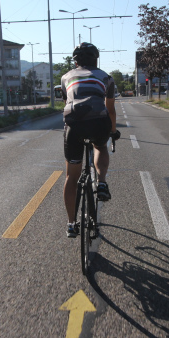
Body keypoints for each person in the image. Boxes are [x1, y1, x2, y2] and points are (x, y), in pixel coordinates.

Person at [61, 42, 119, 238]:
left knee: (71, 177)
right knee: (101, 146)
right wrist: (113, 131)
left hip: (74, 126)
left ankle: (71, 223)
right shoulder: (106, 77)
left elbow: (67, 102)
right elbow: (110, 109)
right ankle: (101, 182)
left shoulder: (65, 77)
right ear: (96, 59)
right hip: (98, 122)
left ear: (75, 61)